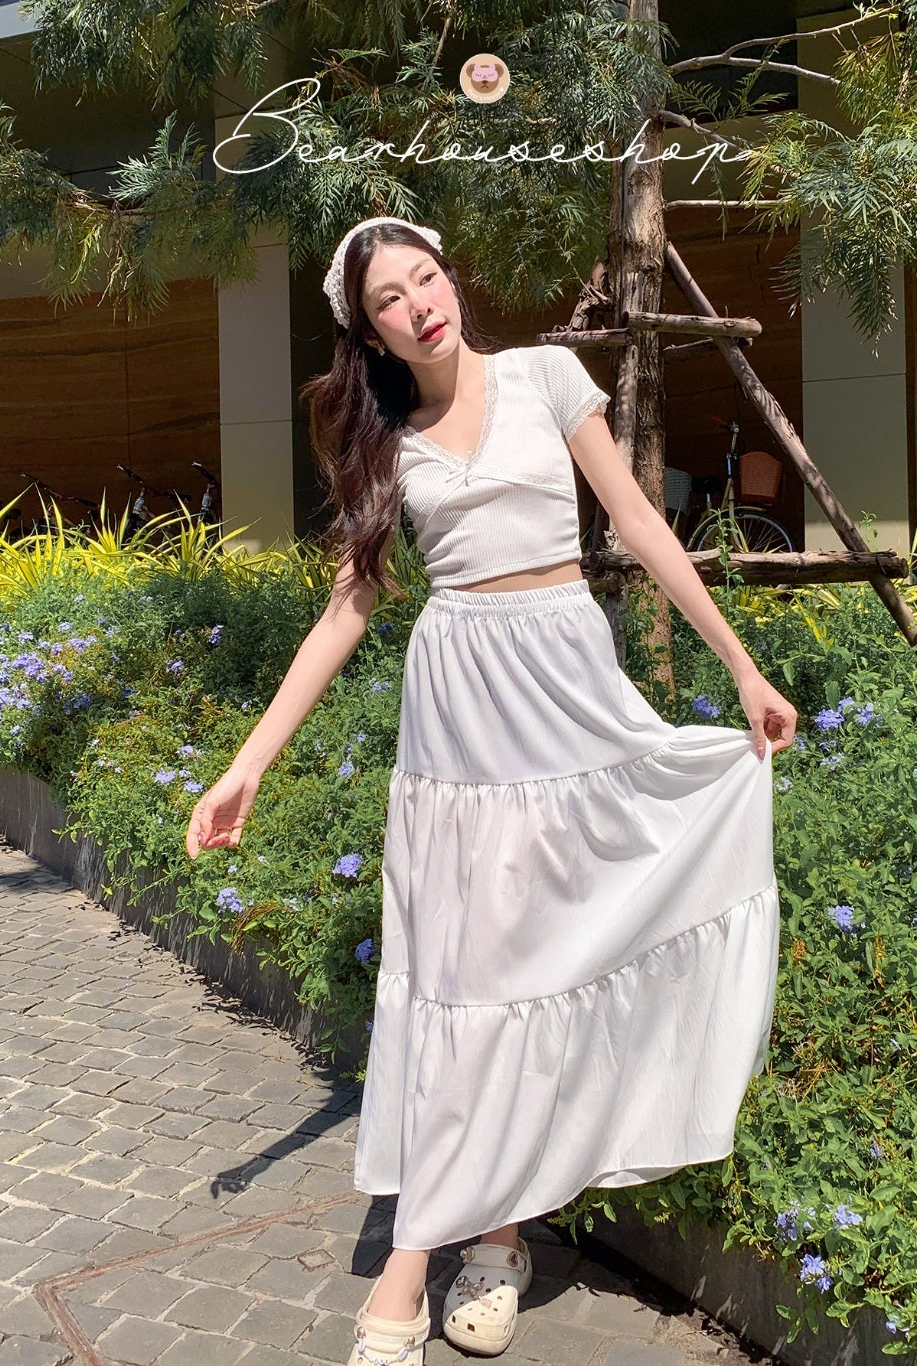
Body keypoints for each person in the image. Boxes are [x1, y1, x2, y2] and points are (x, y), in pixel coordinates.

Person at [186, 215, 798, 1366]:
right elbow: (349, 604)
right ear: (368, 331)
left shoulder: (545, 377)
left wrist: (741, 666)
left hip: (566, 689)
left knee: (533, 964)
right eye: (389, 299)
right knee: (469, 980)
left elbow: (636, 520)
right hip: (460, 713)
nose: (419, 304)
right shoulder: (384, 437)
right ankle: (459, 1251)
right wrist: (248, 762)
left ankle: (475, 1243)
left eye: (426, 278)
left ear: (449, 279)